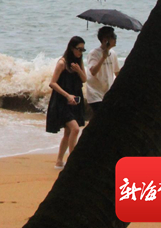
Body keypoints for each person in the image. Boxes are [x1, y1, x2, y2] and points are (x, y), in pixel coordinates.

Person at [46, 36, 87, 169]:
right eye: (78, 49)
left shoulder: (78, 62)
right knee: (75, 129)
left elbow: (84, 79)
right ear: (71, 48)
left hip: (75, 100)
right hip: (62, 101)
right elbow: (52, 83)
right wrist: (67, 95)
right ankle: (72, 161)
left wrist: (78, 70)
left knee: (68, 133)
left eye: (83, 50)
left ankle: (59, 161)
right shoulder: (62, 63)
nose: (80, 52)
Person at [86, 26, 120, 117]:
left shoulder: (113, 53)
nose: (115, 39)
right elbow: (93, 71)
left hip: (107, 93)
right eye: (113, 37)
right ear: (105, 40)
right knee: (101, 117)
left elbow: (117, 72)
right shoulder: (94, 53)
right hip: (95, 94)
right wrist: (103, 58)